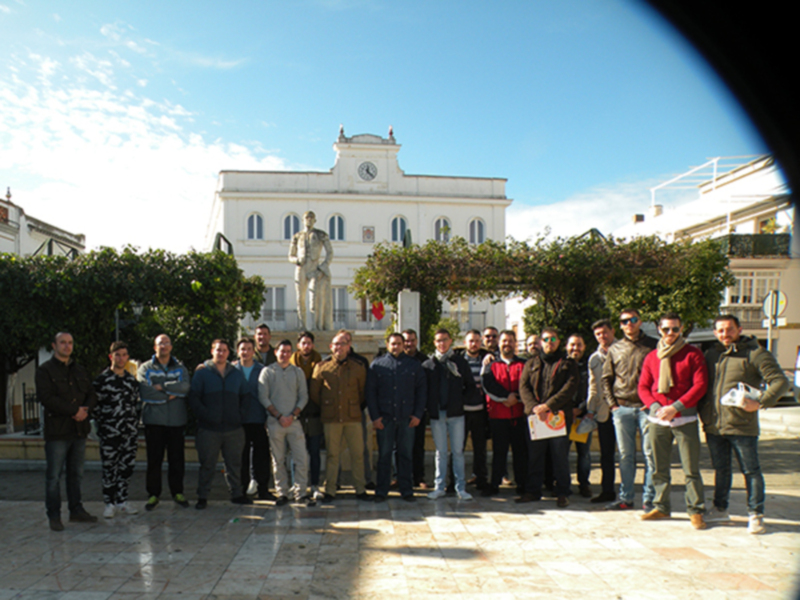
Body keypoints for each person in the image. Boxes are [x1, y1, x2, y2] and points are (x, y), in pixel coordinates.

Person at [700, 314, 789, 534]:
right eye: (720, 330)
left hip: (742, 425)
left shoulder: (755, 353)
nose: (725, 334)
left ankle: (756, 514)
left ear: (739, 329)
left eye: (729, 329)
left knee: (751, 471)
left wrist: (761, 403)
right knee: (721, 470)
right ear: (715, 333)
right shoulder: (712, 354)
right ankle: (720, 508)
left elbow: (780, 381)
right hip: (714, 424)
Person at [638, 313, 708, 529]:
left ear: (681, 329)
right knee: (659, 467)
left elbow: (700, 385)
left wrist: (676, 407)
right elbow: (643, 387)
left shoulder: (693, 354)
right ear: (659, 329)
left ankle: (695, 510)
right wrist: (657, 407)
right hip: (658, 419)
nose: (670, 333)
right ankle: (661, 506)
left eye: (675, 329)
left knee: (691, 469)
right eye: (666, 329)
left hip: (684, 419)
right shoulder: (652, 357)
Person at [37, 332, 98, 531]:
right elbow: (47, 398)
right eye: (62, 343)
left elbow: (91, 393)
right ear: (54, 345)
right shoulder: (45, 370)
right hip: (58, 431)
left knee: (76, 474)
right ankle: (54, 515)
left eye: (70, 343)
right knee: (54, 476)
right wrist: (74, 411)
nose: (67, 346)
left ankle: (76, 510)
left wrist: (85, 411)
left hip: (79, 430)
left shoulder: (79, 370)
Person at [601, 308, 657, 512]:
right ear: (620, 325)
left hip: (646, 409)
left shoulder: (653, 345)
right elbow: (606, 378)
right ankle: (626, 498)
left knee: (650, 455)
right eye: (624, 321)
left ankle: (649, 499)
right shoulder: (615, 348)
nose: (629, 324)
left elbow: (660, 376)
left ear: (640, 321)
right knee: (626, 456)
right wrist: (613, 405)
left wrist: (653, 401)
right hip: (622, 408)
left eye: (633, 320)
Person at [519, 328, 579, 507]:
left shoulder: (568, 363)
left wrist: (548, 406)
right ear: (541, 342)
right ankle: (533, 491)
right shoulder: (531, 363)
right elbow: (524, 387)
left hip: (557, 417)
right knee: (535, 456)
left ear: (559, 342)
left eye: (553, 339)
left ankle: (562, 492)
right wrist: (534, 408)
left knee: (559, 456)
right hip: (537, 417)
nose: (549, 342)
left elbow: (569, 388)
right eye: (546, 339)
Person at [309, 331, 371, 502]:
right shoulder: (322, 367)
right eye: (336, 344)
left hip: (353, 418)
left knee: (358, 454)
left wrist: (352, 406)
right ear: (331, 347)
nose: (339, 347)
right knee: (332, 455)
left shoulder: (358, 367)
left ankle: (360, 488)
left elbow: (362, 392)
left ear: (348, 347)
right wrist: (329, 406)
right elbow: (315, 393)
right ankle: (330, 490)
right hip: (332, 418)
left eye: (343, 344)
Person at [189, 339, 250, 509]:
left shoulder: (237, 374)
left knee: (234, 463)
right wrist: (206, 415)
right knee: (207, 464)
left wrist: (240, 415)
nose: (221, 353)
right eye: (218, 350)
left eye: (224, 350)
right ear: (212, 351)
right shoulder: (202, 374)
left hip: (234, 428)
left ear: (228, 353)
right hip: (209, 429)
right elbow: (194, 398)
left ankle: (237, 494)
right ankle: (202, 496)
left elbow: (246, 396)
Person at [367, 333, 427, 502]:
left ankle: (406, 490)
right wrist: (375, 417)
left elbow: (421, 391)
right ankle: (381, 490)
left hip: (407, 419)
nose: (396, 346)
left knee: (406, 455)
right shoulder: (377, 366)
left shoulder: (414, 365)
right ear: (387, 345)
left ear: (403, 345)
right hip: (384, 419)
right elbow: (371, 393)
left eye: (399, 343)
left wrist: (418, 414)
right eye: (393, 344)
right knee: (384, 455)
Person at [423, 329, 478, 500]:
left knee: (458, 452)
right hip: (437, 415)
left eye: (445, 340)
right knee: (440, 452)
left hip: (456, 414)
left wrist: (460, 401)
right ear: (434, 343)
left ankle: (460, 487)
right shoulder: (428, 365)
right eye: (438, 340)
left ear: (450, 341)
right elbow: (423, 390)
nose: (442, 343)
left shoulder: (459, 362)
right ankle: (439, 487)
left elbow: (470, 386)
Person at [138, 334, 191, 511]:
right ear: (155, 347)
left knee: (177, 459)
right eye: (160, 343)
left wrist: (161, 387)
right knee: (154, 460)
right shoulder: (145, 367)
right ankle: (153, 494)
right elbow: (145, 392)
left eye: (167, 343)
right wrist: (171, 395)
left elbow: (185, 387)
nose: (164, 346)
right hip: (154, 421)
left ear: (171, 347)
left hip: (176, 421)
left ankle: (177, 492)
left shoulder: (180, 367)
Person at [259, 340, 314, 506]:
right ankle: (282, 492)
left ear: (292, 353)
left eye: (288, 351)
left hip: (294, 422)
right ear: (276, 352)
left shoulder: (297, 372)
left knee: (301, 458)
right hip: (275, 422)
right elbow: (263, 396)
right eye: (282, 351)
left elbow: (304, 396)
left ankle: (301, 493)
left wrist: (292, 415)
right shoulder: (267, 372)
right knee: (278, 459)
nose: (285, 354)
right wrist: (279, 416)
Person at [93, 341, 140, 519]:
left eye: (124, 355)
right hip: (109, 432)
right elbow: (95, 407)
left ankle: (122, 501)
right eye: (118, 355)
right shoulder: (101, 380)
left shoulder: (130, 381)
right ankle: (109, 503)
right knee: (109, 468)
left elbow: (135, 406)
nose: (121, 358)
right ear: (111, 357)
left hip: (129, 433)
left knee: (126, 467)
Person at [234, 337, 274, 501]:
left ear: (253, 351)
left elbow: (268, 394)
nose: (246, 352)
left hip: (258, 418)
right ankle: (241, 490)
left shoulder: (262, 370)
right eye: (242, 349)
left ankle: (263, 489)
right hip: (238, 421)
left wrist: (267, 417)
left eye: (249, 349)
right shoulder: (231, 370)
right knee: (241, 457)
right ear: (238, 352)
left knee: (262, 456)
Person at [586, 319, 618, 504]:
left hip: (624, 409)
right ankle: (607, 490)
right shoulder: (594, 358)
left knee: (627, 454)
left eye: (605, 332)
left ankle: (629, 493)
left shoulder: (623, 350)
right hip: (604, 412)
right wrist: (591, 410)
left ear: (612, 332)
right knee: (606, 454)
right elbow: (593, 386)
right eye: (598, 334)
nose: (602, 337)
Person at [290, 331, 324, 499]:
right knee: (296, 454)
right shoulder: (290, 364)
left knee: (314, 452)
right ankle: (297, 485)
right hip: (297, 416)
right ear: (298, 345)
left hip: (315, 416)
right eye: (303, 343)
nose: (306, 346)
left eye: (309, 343)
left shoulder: (320, 363)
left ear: (313, 345)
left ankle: (315, 485)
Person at [456, 329, 490, 490]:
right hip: (461, 411)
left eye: (477, 340)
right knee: (458, 448)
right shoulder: (457, 360)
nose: (474, 344)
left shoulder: (487, 359)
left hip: (480, 411)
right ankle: (455, 480)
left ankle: (480, 479)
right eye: (471, 341)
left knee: (480, 448)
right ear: (465, 343)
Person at [289, 210, 334, 330]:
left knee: (314, 299)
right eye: (306, 218)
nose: (309, 220)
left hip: (314, 267)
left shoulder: (321, 234)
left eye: (311, 218)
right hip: (301, 268)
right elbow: (290, 255)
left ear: (314, 220)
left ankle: (315, 327)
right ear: (303, 220)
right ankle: (302, 326)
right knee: (300, 299)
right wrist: (296, 260)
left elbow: (330, 252)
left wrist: (323, 266)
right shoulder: (297, 236)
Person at [566, 333, 592, 498]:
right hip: (564, 416)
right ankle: (564, 485)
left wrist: (581, 409)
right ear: (567, 347)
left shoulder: (589, 366)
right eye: (572, 345)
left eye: (579, 345)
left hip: (584, 416)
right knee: (562, 454)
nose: (575, 348)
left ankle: (584, 484)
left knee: (584, 454)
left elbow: (593, 390)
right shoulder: (562, 365)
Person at [403, 328, 429, 488]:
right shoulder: (397, 359)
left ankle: (419, 477)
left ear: (417, 341)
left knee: (418, 445)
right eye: (406, 340)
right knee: (397, 447)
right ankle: (398, 477)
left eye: (412, 340)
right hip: (399, 410)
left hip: (418, 411)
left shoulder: (424, 361)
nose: (409, 343)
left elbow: (426, 388)